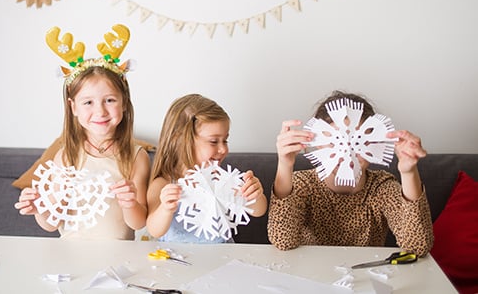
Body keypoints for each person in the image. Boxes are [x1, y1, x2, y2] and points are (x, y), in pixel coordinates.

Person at [14, 25, 149, 240]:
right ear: (73, 107)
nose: (100, 111)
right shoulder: (67, 156)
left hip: (117, 257)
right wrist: (39, 207)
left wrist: (130, 202)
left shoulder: (136, 156)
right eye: (88, 102)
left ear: (124, 103)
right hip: (71, 255)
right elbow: (51, 223)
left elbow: (139, 222)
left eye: (110, 100)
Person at [267, 90, 434, 256]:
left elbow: (417, 247)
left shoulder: (381, 188)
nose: (347, 150)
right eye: (335, 140)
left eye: (357, 140)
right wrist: (284, 164)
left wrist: (409, 172)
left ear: (374, 143)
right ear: (317, 143)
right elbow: (283, 240)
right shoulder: (303, 185)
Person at [146, 94, 268, 243]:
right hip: (178, 260)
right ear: (180, 140)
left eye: (225, 140)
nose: (223, 149)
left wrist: (254, 195)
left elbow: (259, 211)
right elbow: (154, 230)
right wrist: (165, 209)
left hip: (222, 258)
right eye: (213, 141)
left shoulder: (222, 180)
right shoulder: (164, 183)